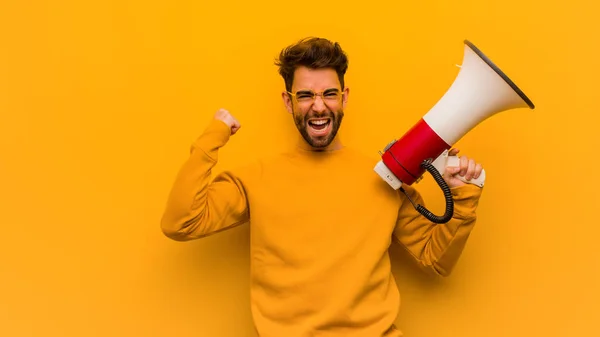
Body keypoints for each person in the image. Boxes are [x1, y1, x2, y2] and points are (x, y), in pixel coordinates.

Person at [160, 37, 484, 337]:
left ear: (344, 97)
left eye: (329, 94)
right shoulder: (255, 179)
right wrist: (212, 137)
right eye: (305, 95)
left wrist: (463, 197)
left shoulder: (385, 176)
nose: (319, 106)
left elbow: (437, 258)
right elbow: (181, 222)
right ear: (288, 102)